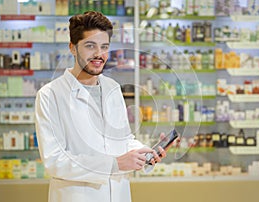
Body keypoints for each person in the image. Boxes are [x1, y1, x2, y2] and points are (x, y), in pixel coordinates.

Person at [35, 11, 167, 202]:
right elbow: (54, 161)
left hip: (119, 195)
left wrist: (147, 153)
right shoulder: (50, 95)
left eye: (104, 47)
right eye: (90, 46)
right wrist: (114, 165)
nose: (99, 54)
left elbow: (122, 139)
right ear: (72, 47)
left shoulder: (112, 88)